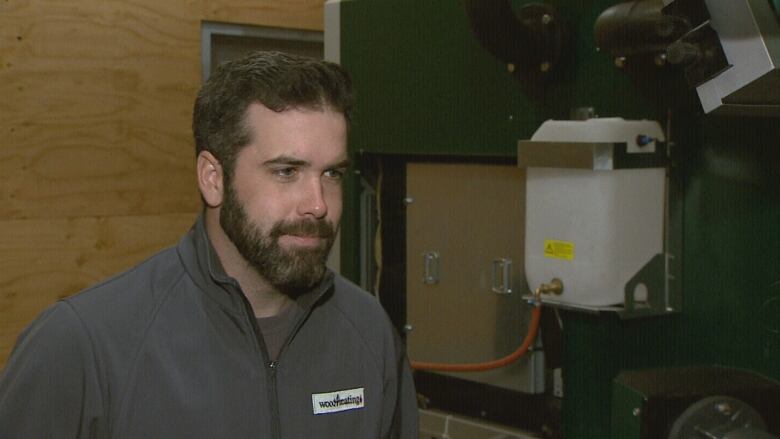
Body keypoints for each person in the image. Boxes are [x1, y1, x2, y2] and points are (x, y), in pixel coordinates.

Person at [0, 51, 418, 438]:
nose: (318, 204)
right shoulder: (82, 347)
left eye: (332, 175)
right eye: (287, 171)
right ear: (213, 178)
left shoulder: (368, 333)